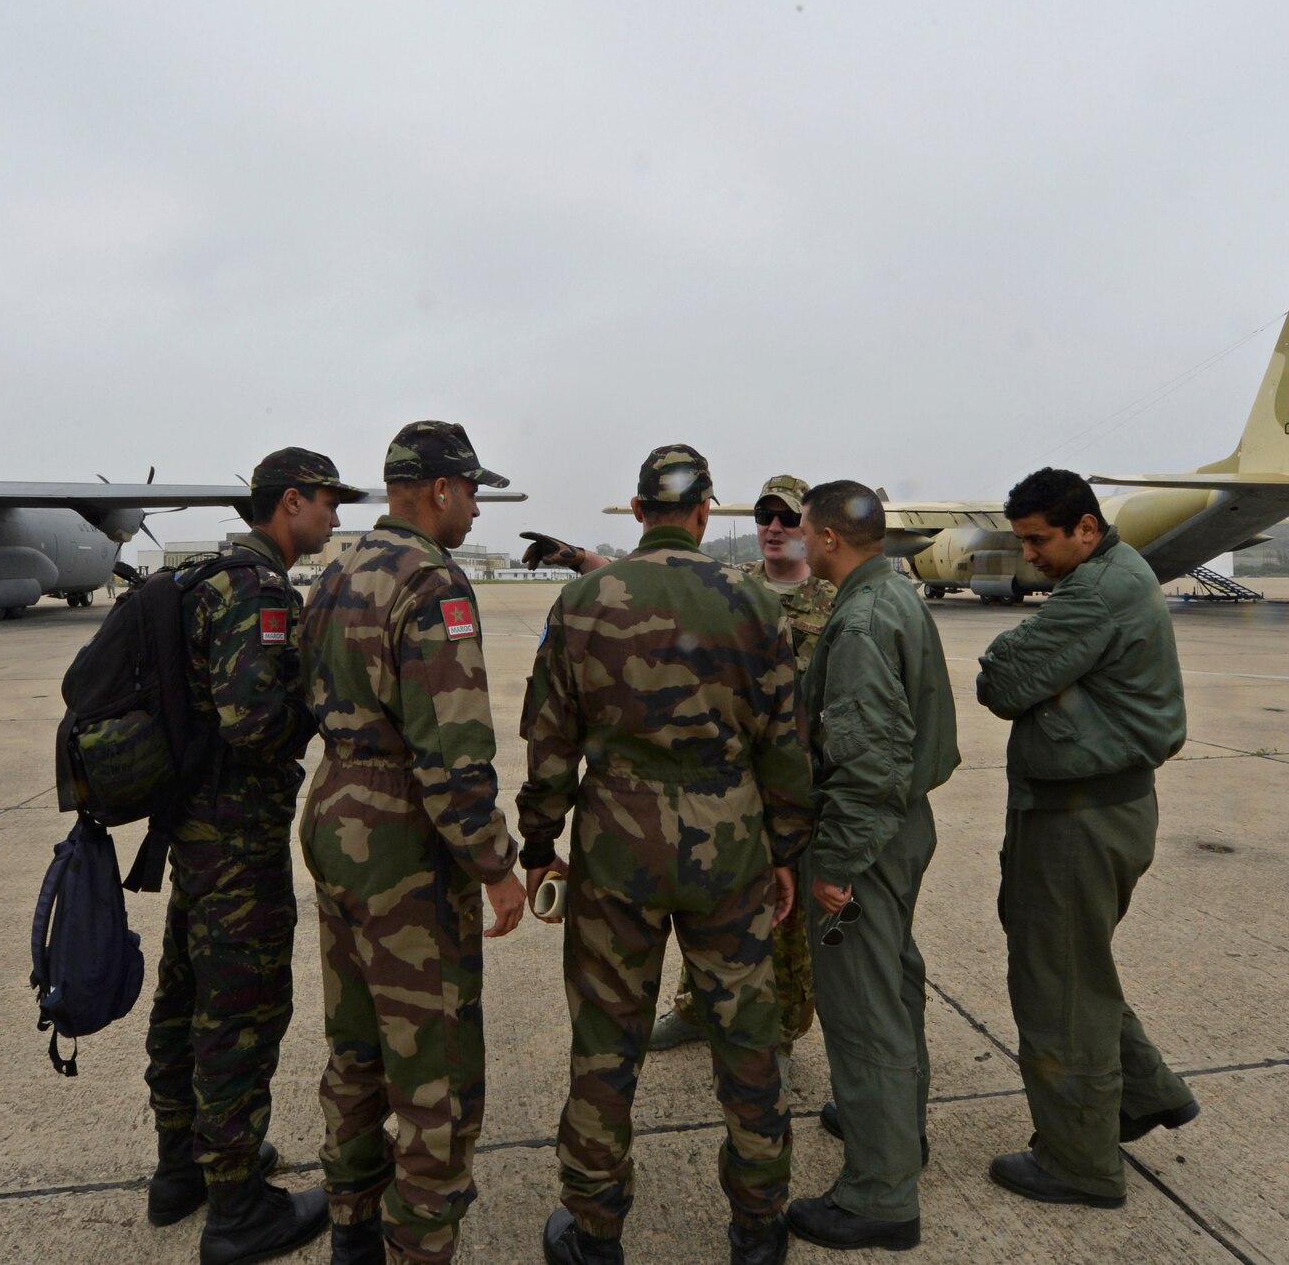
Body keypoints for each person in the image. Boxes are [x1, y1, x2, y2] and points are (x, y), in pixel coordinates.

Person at [518, 445, 812, 1265]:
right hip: (730, 844)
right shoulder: (756, 601)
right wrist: (785, 847)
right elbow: (785, 743)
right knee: (747, 1038)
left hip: (618, 845)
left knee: (607, 1040)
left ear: (640, 511)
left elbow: (550, 739)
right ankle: (759, 1227)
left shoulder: (583, 599)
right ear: (706, 511)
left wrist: (539, 845)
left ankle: (595, 1228)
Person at [298, 420, 527, 1265]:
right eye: (470, 491)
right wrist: (496, 864)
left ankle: (353, 1225)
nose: (473, 507)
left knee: (355, 1040)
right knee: (434, 1063)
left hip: (333, 808)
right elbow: (454, 752)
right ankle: (423, 1242)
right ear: (438, 489)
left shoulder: (338, 569)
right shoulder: (434, 586)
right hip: (401, 835)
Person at [145, 448, 367, 1265]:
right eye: (327, 503)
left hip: (194, 826)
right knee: (240, 1007)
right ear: (291, 503)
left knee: (186, 988)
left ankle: (181, 1167)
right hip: (236, 835)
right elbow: (251, 720)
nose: (335, 517)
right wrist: (319, 711)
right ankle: (237, 1205)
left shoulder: (207, 573)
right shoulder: (259, 588)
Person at [976, 467, 1199, 1209]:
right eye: (1022, 539)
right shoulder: (1112, 572)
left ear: (1085, 529)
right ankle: (1140, 1093)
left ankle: (1079, 1161)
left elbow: (1002, 684)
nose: (1028, 555)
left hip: (1080, 815)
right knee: (1076, 968)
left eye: (1039, 539)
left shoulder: (1096, 591)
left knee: (1059, 984)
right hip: (1093, 805)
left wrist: (1010, 652)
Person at [784, 480, 958, 1252]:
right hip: (902, 820)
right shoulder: (893, 594)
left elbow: (868, 756)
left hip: (869, 832)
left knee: (862, 1006)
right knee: (894, 978)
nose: (797, 543)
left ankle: (879, 1191)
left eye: (803, 532)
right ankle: (894, 1126)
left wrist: (838, 861)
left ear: (826, 537)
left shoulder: (857, 621)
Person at [650, 474, 831, 1080]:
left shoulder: (832, 601)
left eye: (786, 517)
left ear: (807, 526)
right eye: (764, 516)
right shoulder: (732, 590)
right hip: (727, 778)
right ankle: (695, 1009)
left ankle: (780, 1031)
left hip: (796, 780)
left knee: (785, 918)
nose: (774, 528)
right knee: (708, 897)